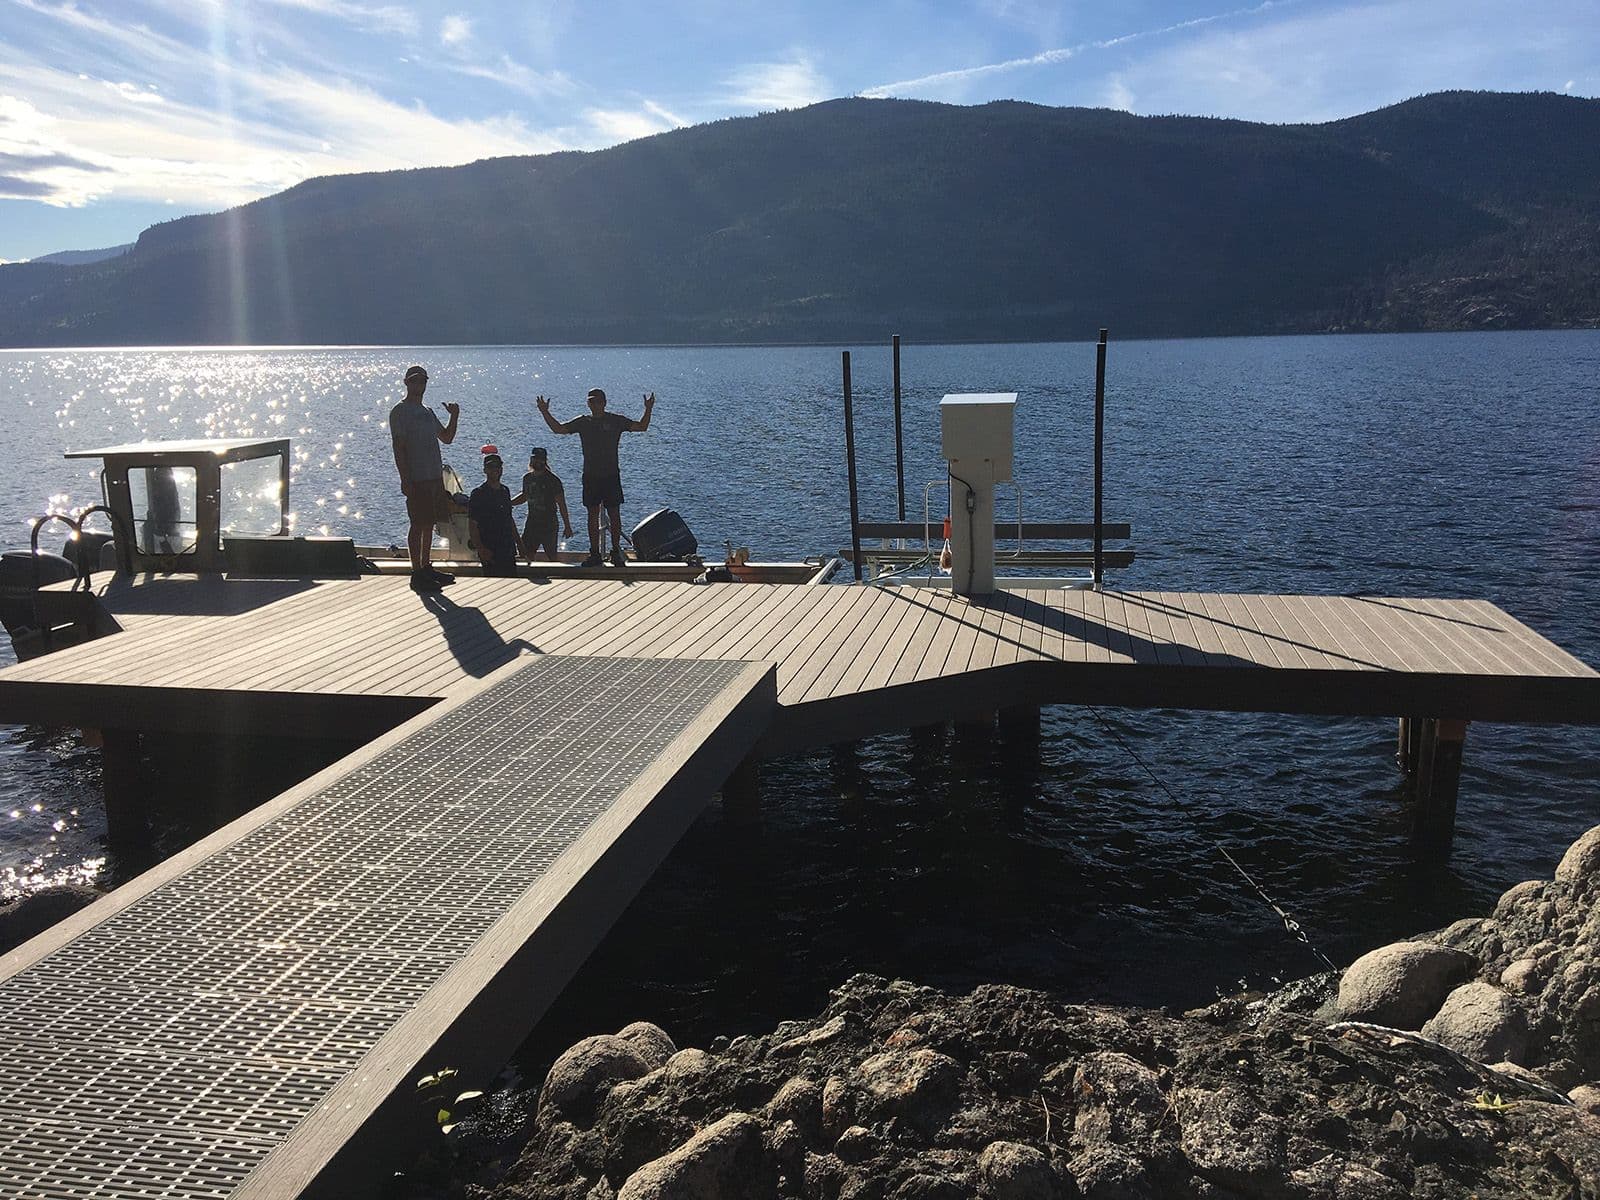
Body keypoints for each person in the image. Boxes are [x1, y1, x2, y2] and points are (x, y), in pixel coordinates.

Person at [536, 388, 654, 567]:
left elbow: (642, 427)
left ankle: (615, 552)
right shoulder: (583, 422)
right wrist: (545, 411)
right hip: (591, 476)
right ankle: (595, 553)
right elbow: (558, 429)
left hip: (611, 476)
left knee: (614, 514)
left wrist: (648, 408)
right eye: (591, 401)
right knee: (592, 514)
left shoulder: (615, 420)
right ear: (588, 403)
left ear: (605, 403)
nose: (595, 404)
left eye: (598, 401)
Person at [389, 364, 460, 591]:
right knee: (417, 524)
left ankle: (426, 567)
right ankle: (416, 571)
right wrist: (405, 478)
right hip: (416, 477)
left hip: (433, 476)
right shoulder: (399, 411)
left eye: (423, 381)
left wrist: (455, 416)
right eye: (415, 380)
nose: (419, 385)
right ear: (406, 382)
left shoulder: (428, 412)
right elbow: (398, 448)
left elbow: (446, 438)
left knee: (429, 523)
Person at [511, 446, 573, 563]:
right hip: (532, 522)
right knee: (526, 552)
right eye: (535, 459)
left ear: (545, 461)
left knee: (551, 555)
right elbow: (524, 496)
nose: (537, 462)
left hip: (549, 523)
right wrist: (509, 503)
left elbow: (561, 504)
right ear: (531, 460)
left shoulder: (553, 480)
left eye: (540, 459)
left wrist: (567, 526)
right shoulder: (527, 478)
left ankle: (556, 575)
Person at [467, 450, 521, 577]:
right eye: (491, 467)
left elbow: (509, 519)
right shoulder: (478, 494)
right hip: (489, 548)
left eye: (498, 466)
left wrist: (520, 544)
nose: (495, 470)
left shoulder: (505, 491)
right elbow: (472, 524)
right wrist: (480, 548)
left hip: (507, 548)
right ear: (485, 470)